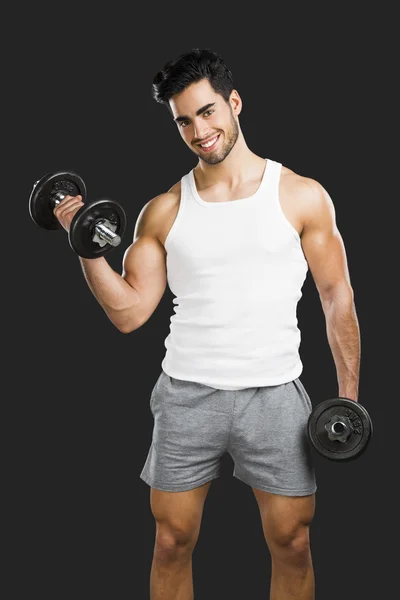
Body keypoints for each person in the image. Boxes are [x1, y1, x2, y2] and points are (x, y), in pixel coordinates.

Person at [53, 48, 360, 600]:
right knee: (171, 540)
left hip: (275, 394)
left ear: (234, 103)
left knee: (293, 542)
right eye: (185, 121)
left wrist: (348, 397)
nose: (200, 130)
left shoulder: (300, 196)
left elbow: (336, 295)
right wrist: (84, 245)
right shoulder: (164, 210)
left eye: (209, 111)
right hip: (187, 393)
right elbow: (129, 313)